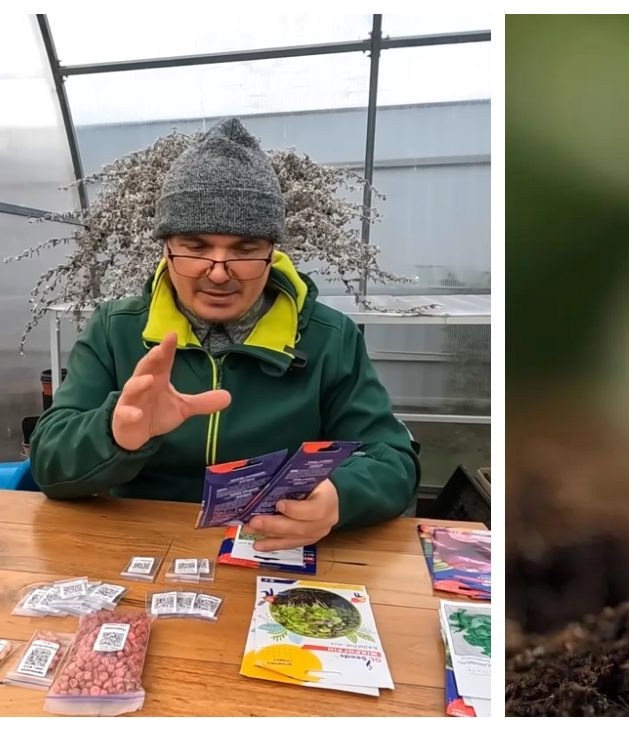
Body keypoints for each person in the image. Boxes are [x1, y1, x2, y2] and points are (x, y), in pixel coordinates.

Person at [30, 117, 419, 550]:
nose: (218, 273)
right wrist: (115, 432)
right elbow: (49, 463)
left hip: (275, 554)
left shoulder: (330, 337)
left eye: (244, 250)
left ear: (273, 254)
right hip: (141, 551)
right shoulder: (116, 329)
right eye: (196, 248)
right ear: (166, 248)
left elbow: (392, 460)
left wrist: (338, 498)